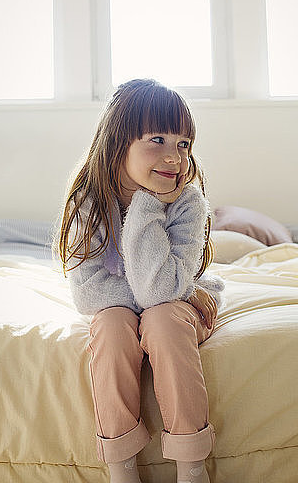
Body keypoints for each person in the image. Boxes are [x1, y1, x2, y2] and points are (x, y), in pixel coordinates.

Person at [55, 79, 225, 483]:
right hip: (154, 298)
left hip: (185, 301)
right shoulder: (89, 201)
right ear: (118, 143)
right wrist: (143, 304)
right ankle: (121, 468)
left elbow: (163, 293)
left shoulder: (186, 201)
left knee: (163, 321)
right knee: (112, 325)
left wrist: (148, 203)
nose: (175, 157)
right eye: (158, 139)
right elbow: (89, 293)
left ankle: (191, 466)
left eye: (183, 144)